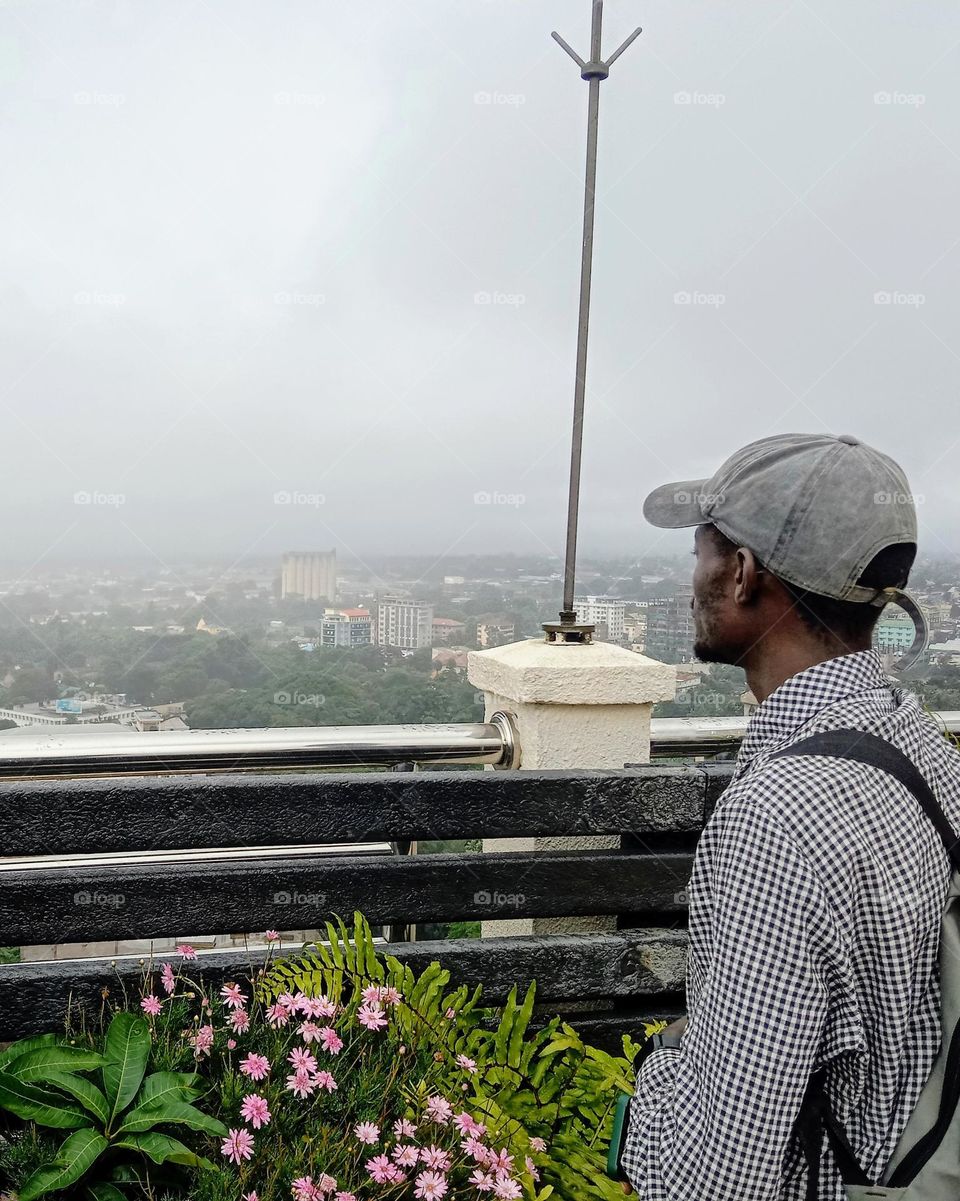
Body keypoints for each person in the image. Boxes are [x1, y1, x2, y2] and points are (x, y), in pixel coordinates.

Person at [620, 432, 960, 1200]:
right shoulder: (923, 746)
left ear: (741, 573)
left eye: (701, 551)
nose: (694, 576)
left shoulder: (778, 819)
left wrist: (660, 1074)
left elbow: (719, 1176)